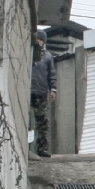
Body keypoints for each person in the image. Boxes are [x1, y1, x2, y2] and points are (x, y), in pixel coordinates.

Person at [31, 30, 56, 158]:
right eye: (37, 39)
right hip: (29, 93)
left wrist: (53, 89)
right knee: (29, 122)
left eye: (41, 40)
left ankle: (42, 149)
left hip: (41, 93)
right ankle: (28, 148)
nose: (39, 41)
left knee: (43, 122)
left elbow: (52, 74)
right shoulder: (29, 54)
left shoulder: (48, 56)